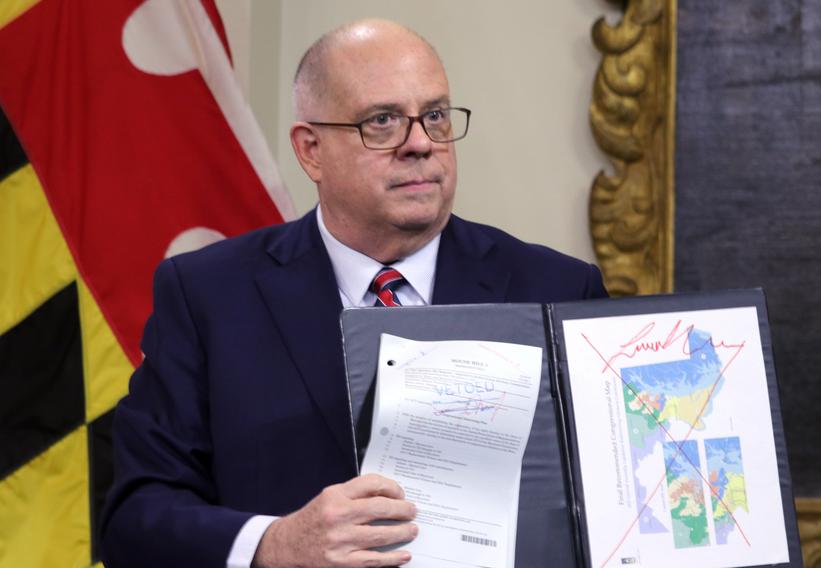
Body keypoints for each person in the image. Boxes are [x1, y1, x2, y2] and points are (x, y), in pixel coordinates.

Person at [100, 18, 608, 568]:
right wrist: (274, 545)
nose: (420, 144)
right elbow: (135, 518)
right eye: (383, 121)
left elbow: (609, 509)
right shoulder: (208, 296)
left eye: (435, 115)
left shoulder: (559, 290)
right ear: (311, 150)